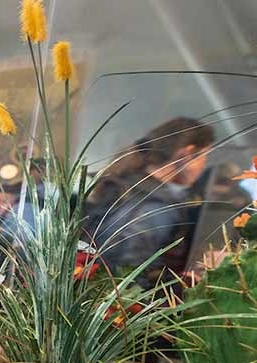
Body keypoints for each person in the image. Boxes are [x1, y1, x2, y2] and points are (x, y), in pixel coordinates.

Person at [86, 117, 215, 287]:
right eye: (204, 156)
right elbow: (128, 276)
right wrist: (187, 283)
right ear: (187, 154)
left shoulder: (125, 183)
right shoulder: (157, 206)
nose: (203, 166)